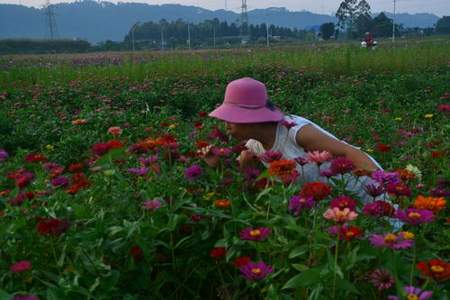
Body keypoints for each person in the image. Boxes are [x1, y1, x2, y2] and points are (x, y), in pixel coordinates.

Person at [203, 77, 385, 204]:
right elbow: (246, 189)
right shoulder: (254, 147)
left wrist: (387, 183)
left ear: (249, 117)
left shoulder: (295, 132)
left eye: (230, 117)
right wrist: (218, 165)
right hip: (331, 205)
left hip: (365, 194)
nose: (225, 124)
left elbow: (349, 151)